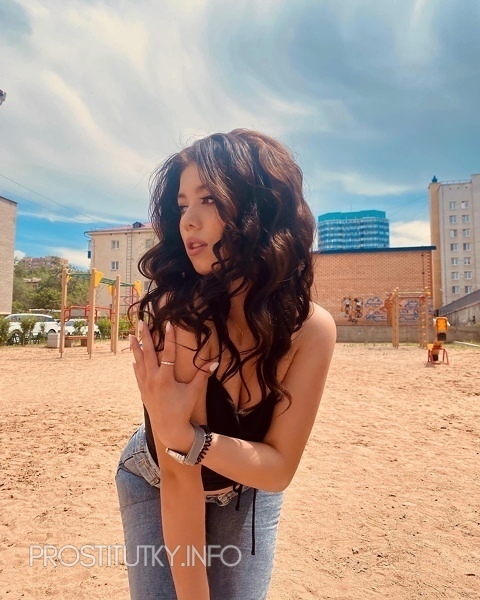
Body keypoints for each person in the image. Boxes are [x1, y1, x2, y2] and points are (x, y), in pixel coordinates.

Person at [115, 129, 336, 600]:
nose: (188, 221)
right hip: (157, 479)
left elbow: (277, 469)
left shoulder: (312, 329)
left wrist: (188, 438)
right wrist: (178, 441)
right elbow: (179, 473)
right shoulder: (179, 314)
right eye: (182, 205)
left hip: (248, 488)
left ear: (262, 207)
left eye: (209, 199)